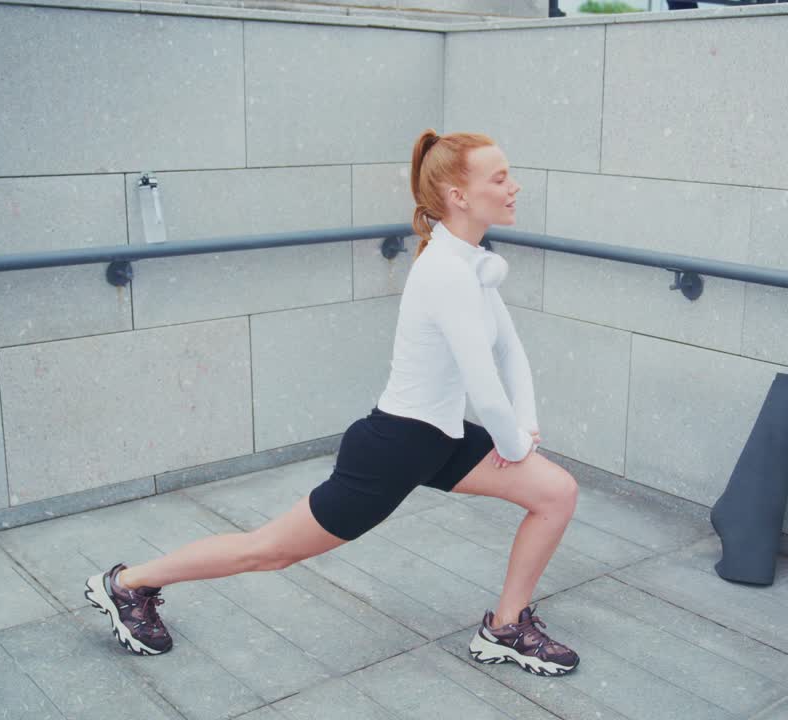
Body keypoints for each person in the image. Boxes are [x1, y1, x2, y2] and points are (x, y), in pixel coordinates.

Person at [85, 129, 581, 677]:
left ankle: (505, 627)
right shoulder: (444, 271)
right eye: (500, 177)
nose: (515, 186)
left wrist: (526, 428)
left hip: (439, 439)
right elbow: (483, 385)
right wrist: (512, 441)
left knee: (555, 493)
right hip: (394, 447)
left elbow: (510, 351)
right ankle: (127, 583)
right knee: (269, 550)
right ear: (459, 196)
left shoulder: (473, 265)